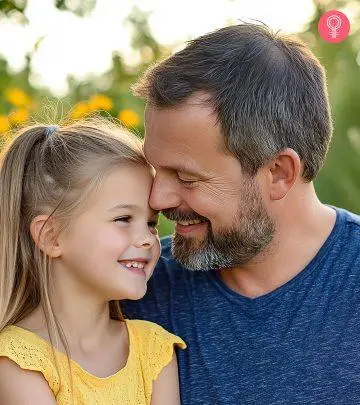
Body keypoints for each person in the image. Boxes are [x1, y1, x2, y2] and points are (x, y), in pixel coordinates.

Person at [121, 23, 360, 404]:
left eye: (185, 177)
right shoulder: (134, 285)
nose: (157, 197)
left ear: (279, 173)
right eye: (156, 170)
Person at [0, 119, 186, 405]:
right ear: (52, 236)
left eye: (150, 223)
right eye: (123, 219)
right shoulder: (18, 360)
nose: (150, 239)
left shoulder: (155, 350)